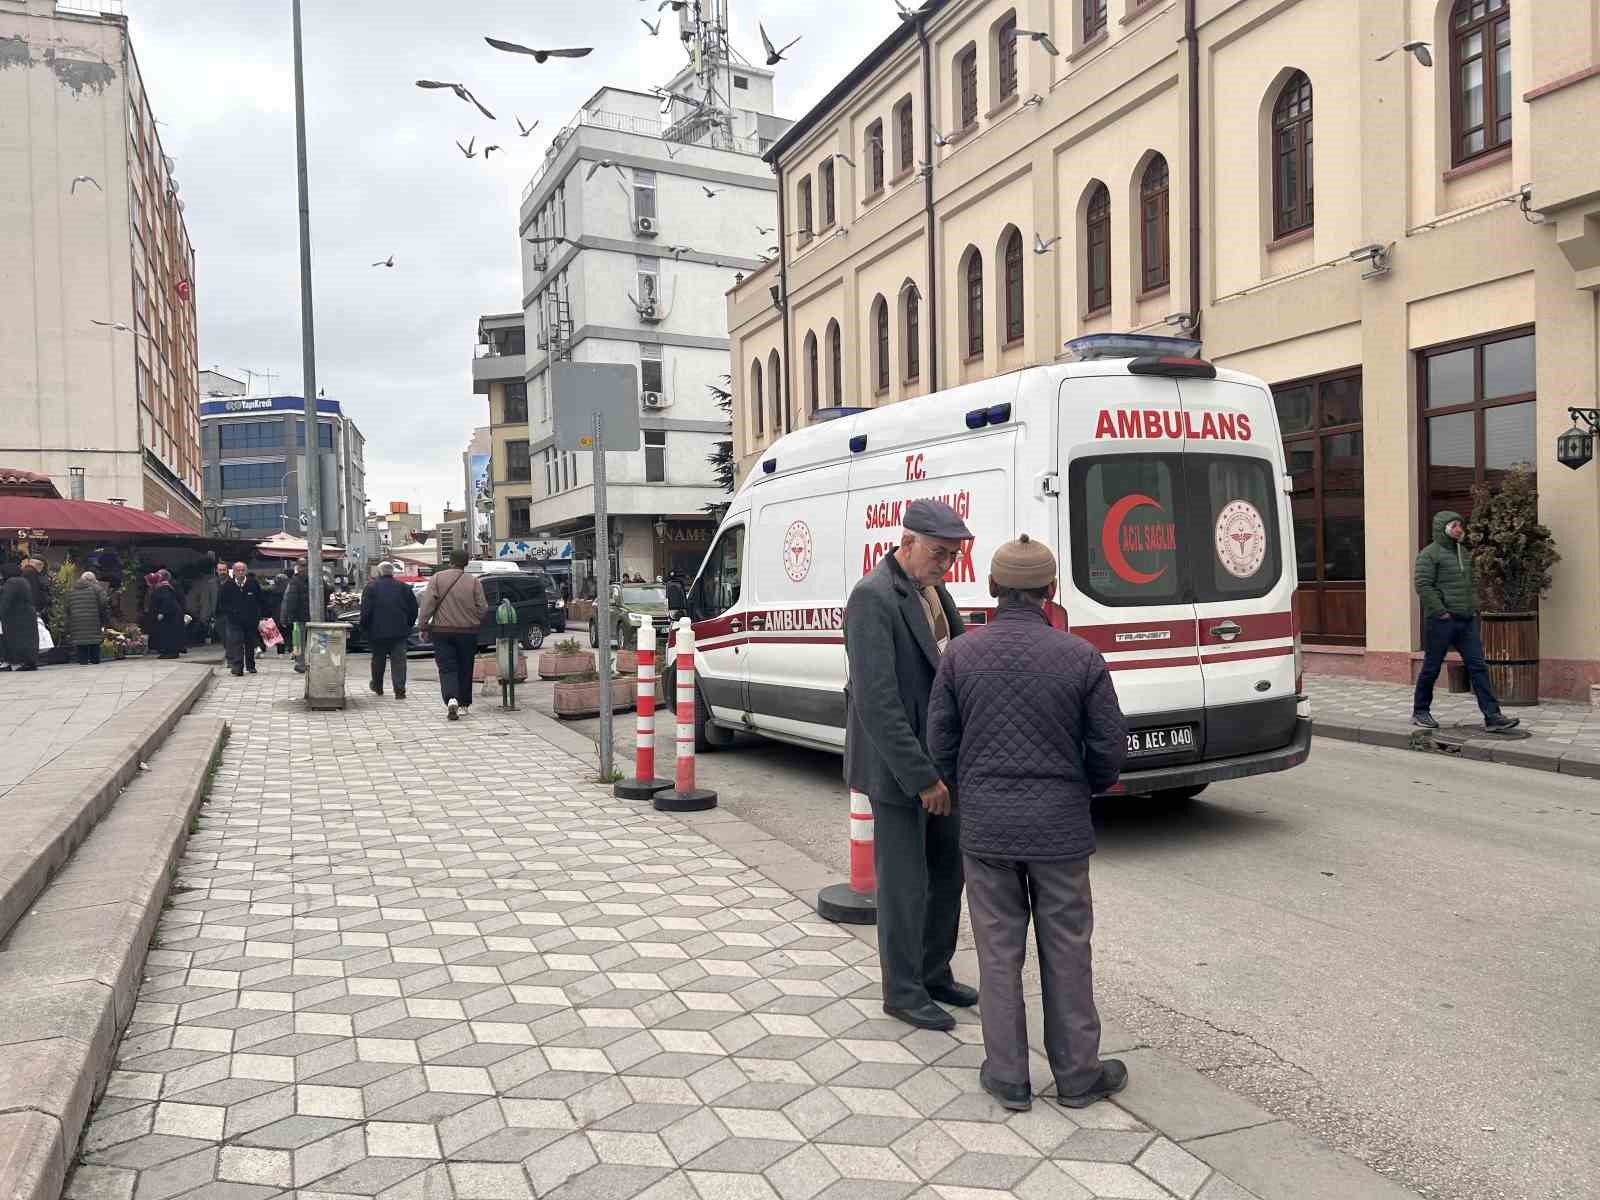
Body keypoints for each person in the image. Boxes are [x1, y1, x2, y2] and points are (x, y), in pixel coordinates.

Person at [927, 534, 1130, 1112]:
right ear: (1050, 590)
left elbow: (939, 744)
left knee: (997, 951)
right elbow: (1108, 747)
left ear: (992, 589)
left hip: (987, 829)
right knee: (1067, 948)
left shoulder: (960, 656)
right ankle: (1077, 1075)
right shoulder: (1080, 657)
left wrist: (970, 791)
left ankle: (1008, 1076)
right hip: (1060, 829)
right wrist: (1081, 787)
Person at [844, 499, 973, 1031]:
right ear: (908, 541)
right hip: (900, 770)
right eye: (939, 554)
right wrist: (921, 778)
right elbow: (877, 702)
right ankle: (902, 989)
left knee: (948, 874)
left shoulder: (933, 591)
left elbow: (954, 665)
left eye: (953, 556)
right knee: (904, 883)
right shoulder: (873, 598)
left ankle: (934, 971)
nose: (946, 565)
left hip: (944, 763)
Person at [1412, 510, 1519, 733]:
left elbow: (1469, 585)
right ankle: (1420, 712)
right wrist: (1441, 611)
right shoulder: (1429, 554)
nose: (1460, 529)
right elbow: (1423, 585)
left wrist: (1473, 607)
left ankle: (1493, 716)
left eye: (1460, 525)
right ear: (1443, 528)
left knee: (1478, 666)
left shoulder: (1463, 552)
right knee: (1431, 667)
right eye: (1454, 525)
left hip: (1466, 620)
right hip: (1441, 621)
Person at [418, 549, 487, 721]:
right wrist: (473, 619)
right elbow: (483, 608)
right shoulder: (474, 582)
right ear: (466, 563)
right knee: (465, 667)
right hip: (467, 632)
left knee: (447, 667)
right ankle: (464, 704)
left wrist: (423, 627)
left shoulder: (437, 578)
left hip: (442, 632)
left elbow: (427, 605)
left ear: (450, 561)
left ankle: (451, 698)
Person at [360, 561, 419, 699]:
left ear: (379, 573)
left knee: (378, 660)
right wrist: (408, 624)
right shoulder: (404, 588)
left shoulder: (371, 588)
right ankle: (399, 690)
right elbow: (413, 610)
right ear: (392, 573)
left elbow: (366, 611)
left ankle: (377, 686)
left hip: (377, 632)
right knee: (399, 661)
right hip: (399, 631)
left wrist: (364, 627)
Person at [218, 562, 261, 676]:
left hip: (250, 620)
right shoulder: (228, 585)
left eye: (242, 570)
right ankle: (238, 667)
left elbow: (260, 600)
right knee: (236, 642)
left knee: (249, 642)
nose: (240, 572)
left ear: (246, 571)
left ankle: (251, 665)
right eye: (238, 570)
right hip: (234, 620)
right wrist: (231, 611)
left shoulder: (253, 583)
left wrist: (261, 616)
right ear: (233, 571)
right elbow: (222, 603)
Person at [64, 571, 111, 665]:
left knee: (81, 641)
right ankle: (95, 660)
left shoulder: (71, 590)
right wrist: (102, 616)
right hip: (93, 620)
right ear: (93, 580)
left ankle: (83, 661)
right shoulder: (97, 589)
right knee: (94, 639)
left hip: (76, 621)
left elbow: (67, 607)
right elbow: (104, 603)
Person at [1, 562, 40, 671]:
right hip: (27, 615)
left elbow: (6, 601)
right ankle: (30, 662)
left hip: (15, 617)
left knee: (16, 640)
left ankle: (21, 662)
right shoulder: (23, 581)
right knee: (28, 639)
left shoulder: (11, 582)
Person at [280, 560, 311, 673]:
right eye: (303, 566)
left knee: (300, 641)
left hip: (300, 617)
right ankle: (309, 663)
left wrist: (288, 616)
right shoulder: (316, 579)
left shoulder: (295, 581)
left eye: (305, 565)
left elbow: (289, 600)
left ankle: (301, 664)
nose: (304, 568)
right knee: (307, 641)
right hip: (305, 616)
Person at [147, 572, 186, 659]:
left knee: (169, 634)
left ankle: (171, 652)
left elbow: (167, 600)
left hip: (170, 616)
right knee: (166, 633)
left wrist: (162, 612)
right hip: (169, 615)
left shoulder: (164, 587)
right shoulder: (163, 587)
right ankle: (167, 652)